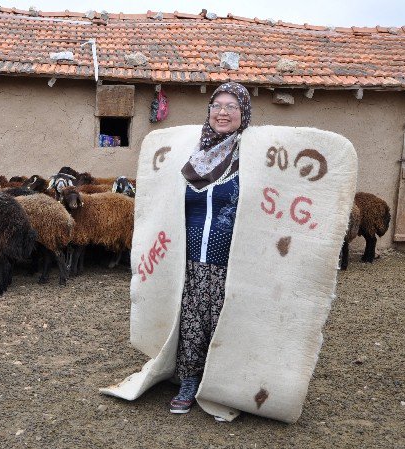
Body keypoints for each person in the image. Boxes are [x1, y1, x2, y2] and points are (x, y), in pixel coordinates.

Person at [169, 82, 252, 416]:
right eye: (217, 105)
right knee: (190, 321)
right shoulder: (193, 155)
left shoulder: (252, 155)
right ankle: (189, 380)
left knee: (224, 322)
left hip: (230, 260)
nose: (222, 112)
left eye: (232, 106)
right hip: (187, 259)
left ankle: (223, 385)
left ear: (244, 113)